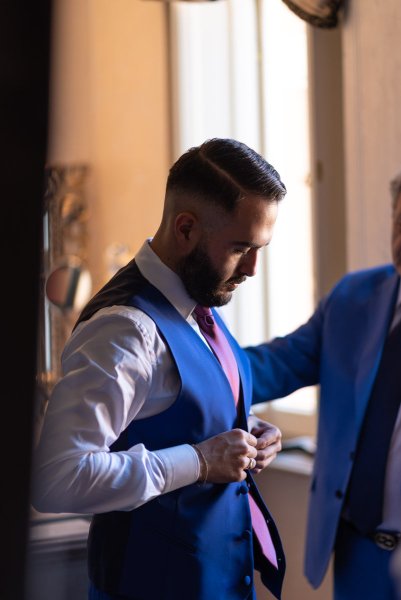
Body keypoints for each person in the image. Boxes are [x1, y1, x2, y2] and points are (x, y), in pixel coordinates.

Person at [32, 138, 288, 600]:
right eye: (240, 248)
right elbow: (57, 479)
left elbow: (165, 411)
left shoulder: (200, 294)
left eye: (260, 249)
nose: (251, 268)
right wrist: (199, 461)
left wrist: (246, 429)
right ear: (185, 228)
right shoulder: (125, 329)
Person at [245, 169, 401, 600]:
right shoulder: (354, 298)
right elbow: (279, 362)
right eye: (400, 221)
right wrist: (193, 365)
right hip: (358, 554)